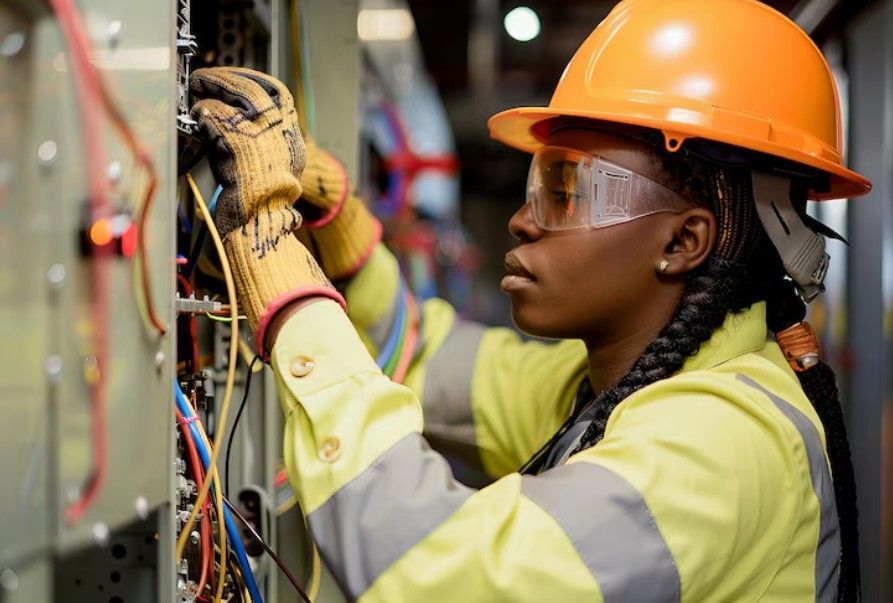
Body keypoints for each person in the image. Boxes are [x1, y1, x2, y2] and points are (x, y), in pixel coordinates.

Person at [188, 0, 869, 600]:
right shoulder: (629, 385)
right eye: (535, 183)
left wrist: (285, 289)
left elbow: (450, 576)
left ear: (684, 239)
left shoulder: (723, 441)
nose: (521, 219)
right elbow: (426, 358)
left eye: (566, 189)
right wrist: (344, 236)